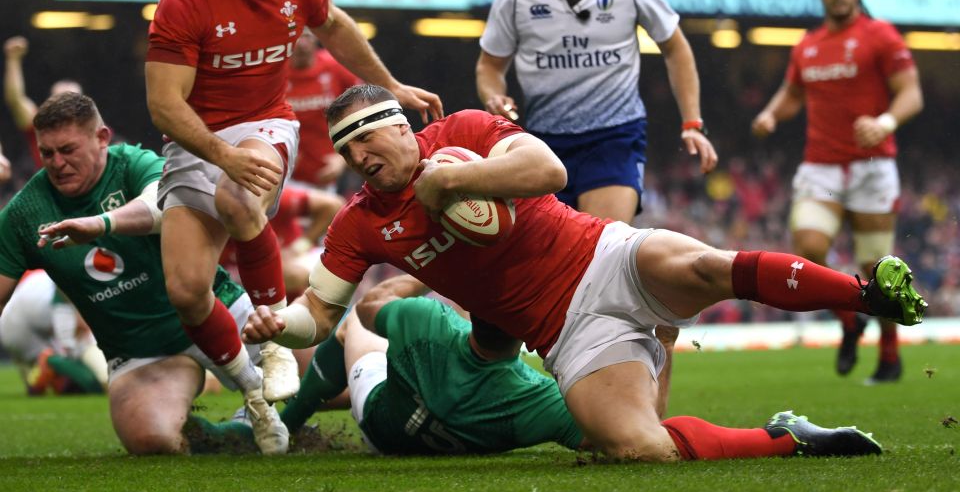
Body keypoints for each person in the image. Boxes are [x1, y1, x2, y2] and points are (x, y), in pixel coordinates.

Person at [243, 84, 926, 463]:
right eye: (346, 147)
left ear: (399, 126)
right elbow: (322, 313)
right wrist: (278, 320)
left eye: (367, 136)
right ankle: (788, 438)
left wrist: (451, 186)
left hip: (602, 254)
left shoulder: (467, 131)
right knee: (640, 447)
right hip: (563, 332)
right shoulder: (360, 221)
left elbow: (548, 172)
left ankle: (867, 295)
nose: (359, 155)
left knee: (705, 264)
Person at [144, 0, 442, 421]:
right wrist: (218, 152)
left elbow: (337, 27)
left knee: (239, 197)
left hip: (265, 125)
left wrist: (391, 85)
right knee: (186, 291)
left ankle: (279, 343)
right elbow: (165, 105)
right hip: (196, 138)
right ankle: (252, 388)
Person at [475, 0, 718, 413]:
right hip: (543, 146)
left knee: (620, 265)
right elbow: (489, 65)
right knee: (545, 282)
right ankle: (564, 398)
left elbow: (676, 48)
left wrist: (692, 121)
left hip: (613, 137)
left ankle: (651, 415)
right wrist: (495, 96)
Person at [0, 92, 278, 454]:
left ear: (102, 138)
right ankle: (236, 433)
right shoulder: (24, 213)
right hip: (139, 353)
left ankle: (303, 410)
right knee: (152, 440)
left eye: (68, 150)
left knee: (315, 372)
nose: (57, 163)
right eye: (47, 153)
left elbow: (160, 208)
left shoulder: (132, 163)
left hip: (216, 308)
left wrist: (100, 224)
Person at [751, 0, 924, 384]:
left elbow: (911, 94)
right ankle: (850, 322)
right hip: (821, 169)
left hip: (871, 167)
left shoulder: (879, 35)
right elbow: (791, 94)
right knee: (808, 247)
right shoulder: (807, 46)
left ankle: (889, 355)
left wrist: (883, 123)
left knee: (875, 265)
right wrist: (771, 115)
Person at [280, 274, 585, 455]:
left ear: (471, 307)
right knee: (397, 365)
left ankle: (286, 424)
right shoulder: (540, 398)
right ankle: (300, 408)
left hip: (380, 427)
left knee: (353, 325)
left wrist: (439, 270)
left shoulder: (428, 319)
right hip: (427, 434)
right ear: (528, 335)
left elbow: (370, 306)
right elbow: (612, 435)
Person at [0, 269, 107, 395]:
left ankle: (46, 376)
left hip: (26, 304)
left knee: (76, 365)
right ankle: (48, 366)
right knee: (85, 370)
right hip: (17, 324)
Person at [287, 28, 361, 190]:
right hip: (283, 174)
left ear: (315, 39)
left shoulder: (335, 66)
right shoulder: (274, 72)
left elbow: (362, 110)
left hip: (328, 175)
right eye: (296, 37)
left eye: (306, 36)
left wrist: (344, 157)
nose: (302, 44)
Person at [4, 35, 83, 168]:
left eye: (73, 100)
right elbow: (15, 99)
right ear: (50, 104)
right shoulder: (40, 125)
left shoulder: (95, 129)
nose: (66, 106)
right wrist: (13, 59)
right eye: (60, 99)